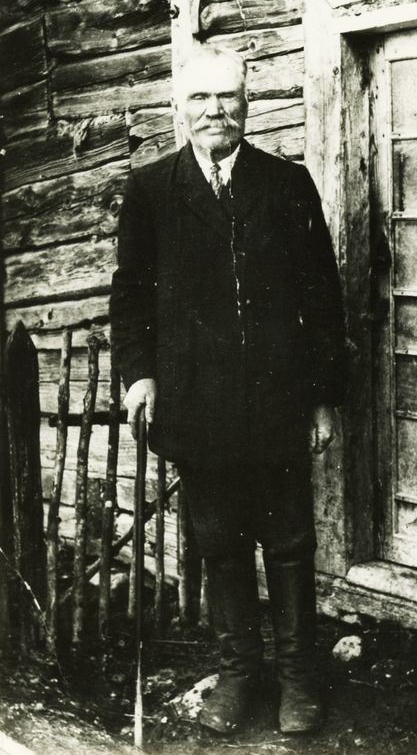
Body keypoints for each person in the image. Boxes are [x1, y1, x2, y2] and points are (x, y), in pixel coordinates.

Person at [110, 45, 346, 735]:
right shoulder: (152, 189)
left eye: (228, 97)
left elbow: (322, 297)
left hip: (277, 401)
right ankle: (240, 672)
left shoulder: (285, 184)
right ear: (179, 106)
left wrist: (322, 397)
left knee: (290, 542)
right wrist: (140, 374)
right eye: (201, 98)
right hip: (197, 403)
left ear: (247, 103)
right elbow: (131, 295)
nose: (216, 110)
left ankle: (298, 678)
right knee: (219, 542)